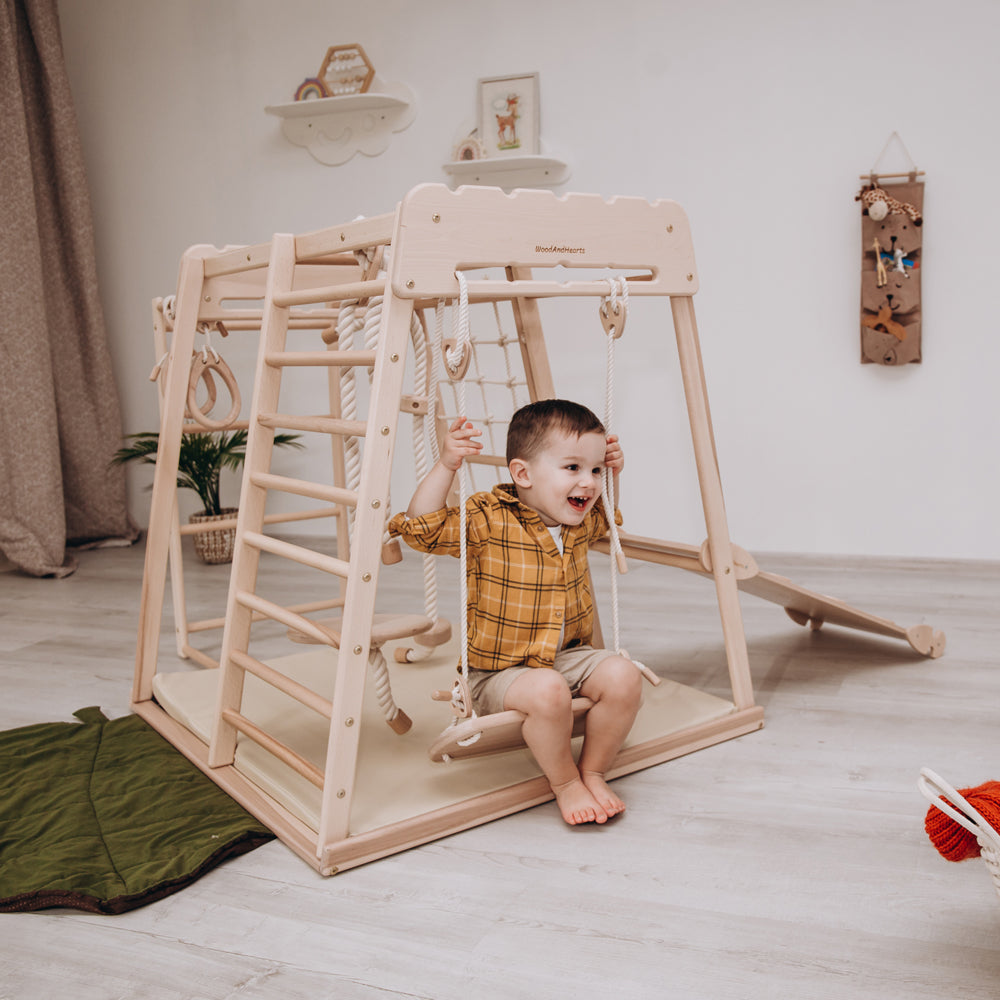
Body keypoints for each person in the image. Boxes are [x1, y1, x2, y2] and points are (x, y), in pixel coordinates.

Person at [389, 399, 643, 825]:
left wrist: (614, 474)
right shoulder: (488, 519)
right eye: (573, 468)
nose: (589, 482)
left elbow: (608, 517)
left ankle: (594, 769)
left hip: (565, 657)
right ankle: (565, 783)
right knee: (547, 690)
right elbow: (422, 529)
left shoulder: (578, 523)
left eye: (595, 469)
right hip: (497, 673)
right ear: (523, 474)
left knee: (623, 675)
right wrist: (447, 466)